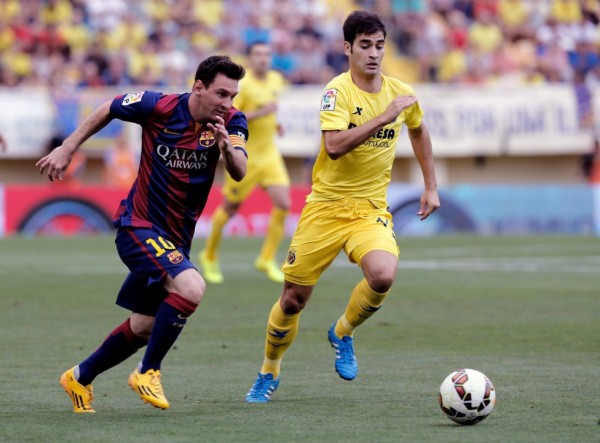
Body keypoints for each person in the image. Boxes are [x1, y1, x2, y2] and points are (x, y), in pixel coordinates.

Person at [245, 10, 440, 403]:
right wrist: (385, 116)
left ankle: (343, 331)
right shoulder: (337, 91)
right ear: (347, 48)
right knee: (292, 300)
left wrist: (430, 186)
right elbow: (333, 147)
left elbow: (418, 129)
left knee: (383, 275)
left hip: (369, 209)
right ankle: (269, 371)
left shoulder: (400, 92)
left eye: (380, 46)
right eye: (365, 46)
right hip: (325, 207)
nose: (373, 54)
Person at [36, 55, 248, 413]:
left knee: (146, 325)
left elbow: (240, 171)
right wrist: (68, 147)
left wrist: (228, 148)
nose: (228, 103)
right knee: (192, 287)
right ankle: (148, 371)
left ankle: (79, 377)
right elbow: (109, 107)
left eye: (233, 95)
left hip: (175, 239)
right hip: (139, 225)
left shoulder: (232, 121)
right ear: (199, 87)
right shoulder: (160, 106)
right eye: (222, 94)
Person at [199, 41, 291, 284]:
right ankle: (208, 255)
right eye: (258, 54)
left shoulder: (276, 80)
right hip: (244, 154)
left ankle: (266, 258)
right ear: (250, 58)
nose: (263, 58)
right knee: (230, 208)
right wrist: (261, 113)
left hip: (270, 154)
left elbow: (271, 112)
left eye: (267, 54)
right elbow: (231, 117)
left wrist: (275, 123)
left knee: (283, 204)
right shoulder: (243, 85)